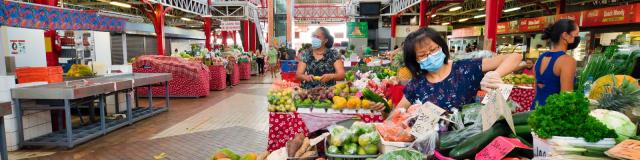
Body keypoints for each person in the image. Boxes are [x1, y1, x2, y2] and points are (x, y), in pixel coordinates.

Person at [381, 28, 522, 112]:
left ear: (442, 46)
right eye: (423, 55)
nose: (430, 56)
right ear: (415, 61)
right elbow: (398, 112)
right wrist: (382, 112)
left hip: (468, 144)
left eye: (433, 50)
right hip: (432, 148)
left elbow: (515, 56)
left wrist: (495, 74)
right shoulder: (417, 84)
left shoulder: (465, 68)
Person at [531, 19, 579, 109]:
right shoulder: (568, 61)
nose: (577, 38)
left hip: (535, 111)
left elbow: (537, 89)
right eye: (576, 35)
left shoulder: (540, 58)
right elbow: (566, 98)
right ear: (565, 35)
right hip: (552, 115)